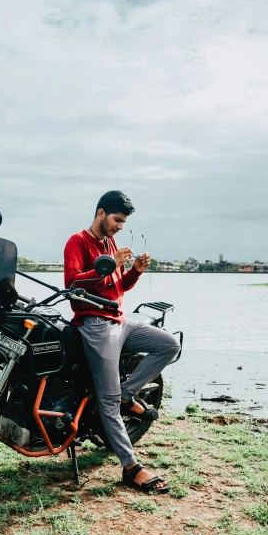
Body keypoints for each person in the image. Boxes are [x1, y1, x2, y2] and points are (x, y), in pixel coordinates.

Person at [64, 190, 181, 492]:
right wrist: (110, 263)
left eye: (123, 222)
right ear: (101, 213)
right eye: (117, 220)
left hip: (120, 320)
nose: (119, 226)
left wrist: (135, 272)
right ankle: (131, 467)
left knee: (169, 345)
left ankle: (128, 394)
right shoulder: (78, 241)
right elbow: (73, 285)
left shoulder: (110, 243)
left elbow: (119, 287)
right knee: (108, 400)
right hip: (95, 324)